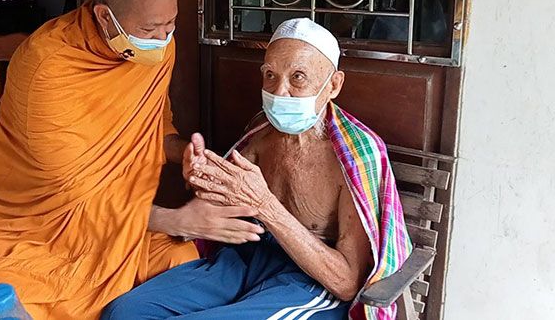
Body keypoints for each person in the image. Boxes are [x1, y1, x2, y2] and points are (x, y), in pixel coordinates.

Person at [0, 0, 264, 319]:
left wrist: (183, 152)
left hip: (117, 224)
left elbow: (153, 128)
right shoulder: (47, 68)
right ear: (105, 16)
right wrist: (175, 220)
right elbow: (74, 197)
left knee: (181, 262)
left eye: (170, 24)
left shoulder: (156, 49)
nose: (162, 38)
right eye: (149, 29)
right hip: (29, 227)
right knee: (6, 304)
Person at [101, 18, 412, 320]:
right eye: (270, 75)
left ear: (333, 84)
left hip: (309, 280)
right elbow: (224, 201)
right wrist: (202, 178)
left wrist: (265, 205)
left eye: (298, 77)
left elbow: (346, 284)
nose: (279, 92)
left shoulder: (355, 156)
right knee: (125, 312)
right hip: (247, 257)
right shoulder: (261, 133)